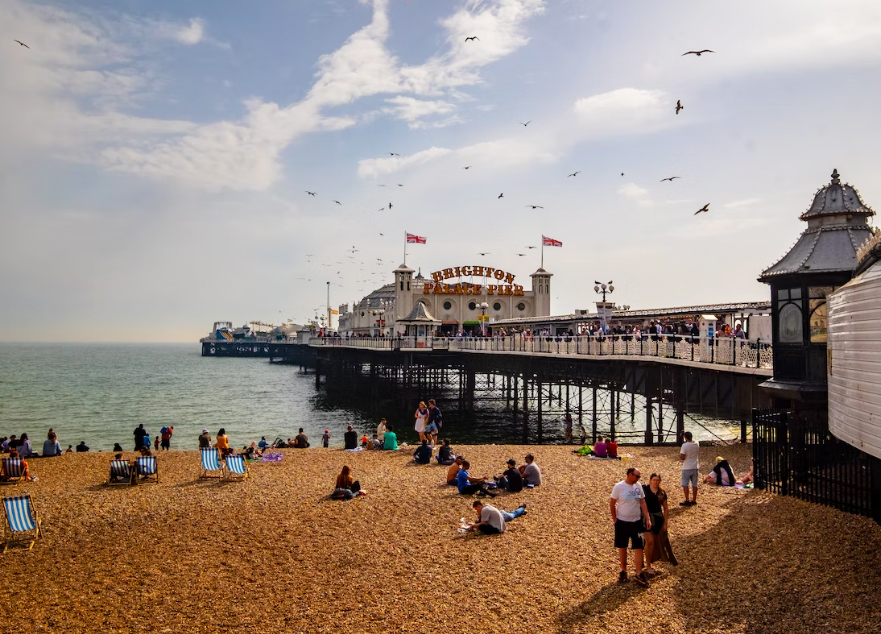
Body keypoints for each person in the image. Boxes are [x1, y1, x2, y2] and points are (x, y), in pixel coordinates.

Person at [610, 467, 652, 587]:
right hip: (622, 522)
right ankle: (624, 571)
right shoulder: (619, 487)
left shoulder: (638, 486)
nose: (638, 478)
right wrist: (614, 519)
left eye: (639, 476)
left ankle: (638, 573)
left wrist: (647, 517)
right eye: (636, 476)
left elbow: (642, 502)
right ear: (629, 475)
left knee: (639, 547)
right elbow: (612, 502)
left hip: (636, 522)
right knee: (622, 546)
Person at [642, 473, 671, 576]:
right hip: (646, 518)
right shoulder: (644, 489)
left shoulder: (661, 492)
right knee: (649, 541)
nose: (656, 482)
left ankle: (650, 563)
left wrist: (665, 523)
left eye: (657, 480)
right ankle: (648, 565)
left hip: (658, 518)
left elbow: (666, 508)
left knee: (655, 542)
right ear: (650, 480)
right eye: (654, 480)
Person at [679, 431, 700, 506]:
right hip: (695, 466)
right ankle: (694, 499)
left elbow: (682, 457)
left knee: (685, 484)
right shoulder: (697, 444)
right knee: (694, 484)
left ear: (685, 437)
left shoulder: (684, 445)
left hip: (687, 467)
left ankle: (687, 499)